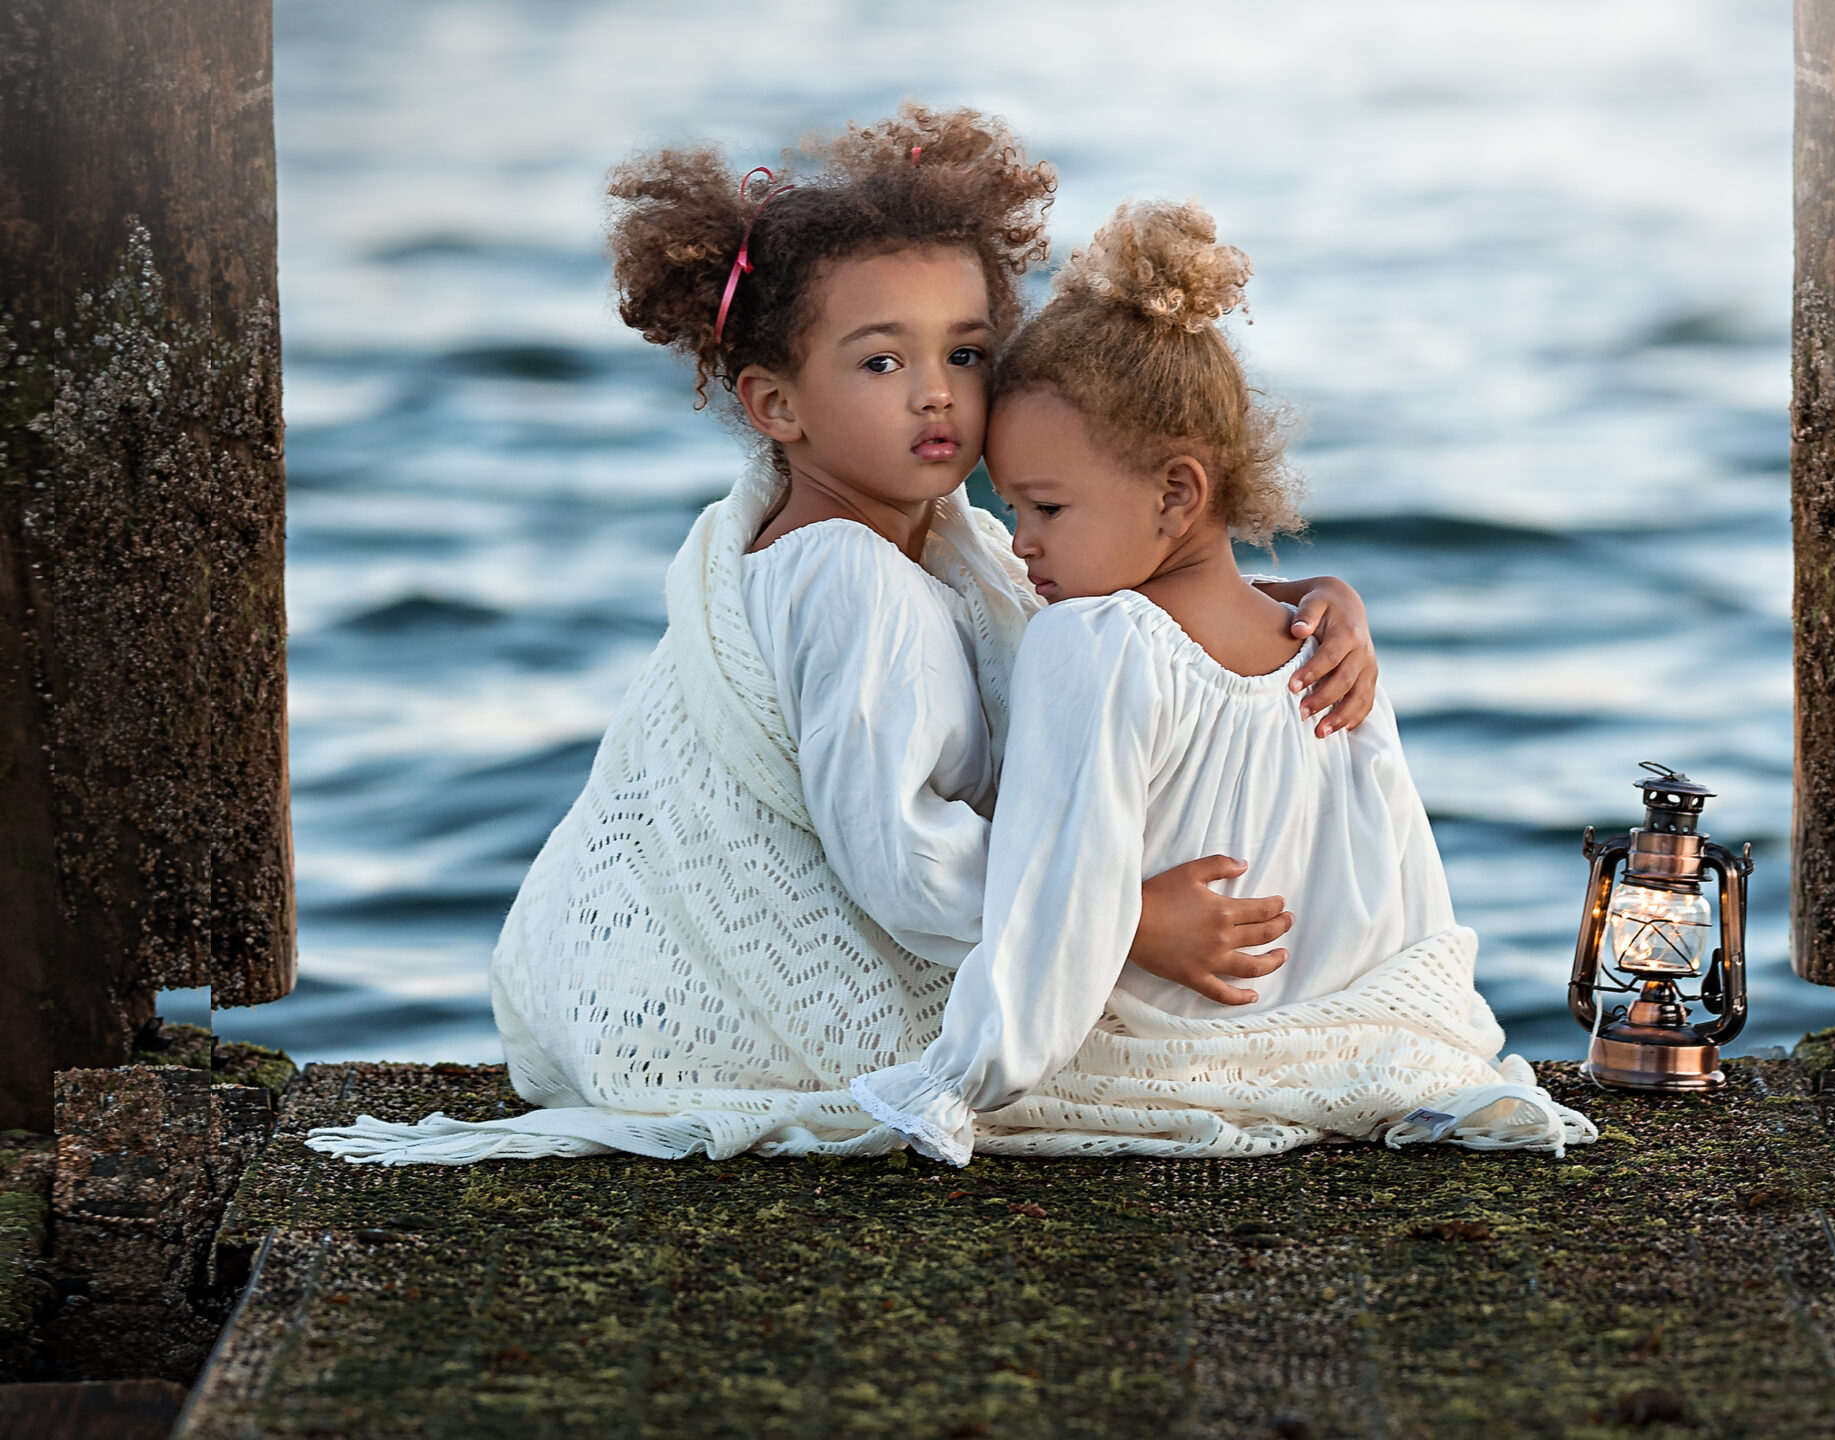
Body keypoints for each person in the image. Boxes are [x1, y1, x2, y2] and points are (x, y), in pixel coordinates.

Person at [308, 109, 1378, 1167]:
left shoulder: (937, 537)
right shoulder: (844, 574)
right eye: (879, 362)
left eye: (964, 352)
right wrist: (1122, 920)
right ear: (776, 402)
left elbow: (1127, 588)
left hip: (945, 926)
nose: (936, 393)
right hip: (756, 1010)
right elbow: (903, 863)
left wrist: (1302, 600)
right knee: (1213, 1065)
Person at [848, 200, 1596, 1165]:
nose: (1018, 539)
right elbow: (1402, 892)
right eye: (1005, 505)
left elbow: (1056, 903)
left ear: (1177, 493)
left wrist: (962, 1082)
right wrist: (1439, 1045)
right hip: (1337, 1041)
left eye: (1044, 506)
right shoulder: (1322, 644)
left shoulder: (1093, 640)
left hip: (1154, 1055)